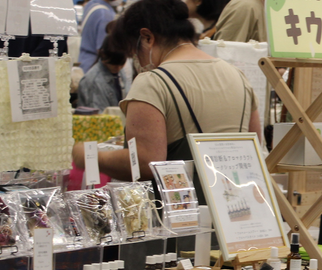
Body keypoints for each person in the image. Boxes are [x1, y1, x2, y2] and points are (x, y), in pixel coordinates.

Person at [71, 0, 262, 205]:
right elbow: (255, 145)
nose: (136, 60)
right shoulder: (237, 76)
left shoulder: (153, 82)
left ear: (147, 37)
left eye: (134, 52)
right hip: (238, 213)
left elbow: (145, 163)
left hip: (182, 223)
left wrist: (89, 156)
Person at [78, 35, 130, 111]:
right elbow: (98, 116)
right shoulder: (94, 81)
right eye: (114, 65)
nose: (118, 68)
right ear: (104, 56)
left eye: (121, 65)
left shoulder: (119, 72)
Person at [79, 0, 118, 72]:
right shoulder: (105, 15)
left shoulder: (91, 4)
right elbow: (103, 49)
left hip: (83, 62)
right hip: (94, 67)